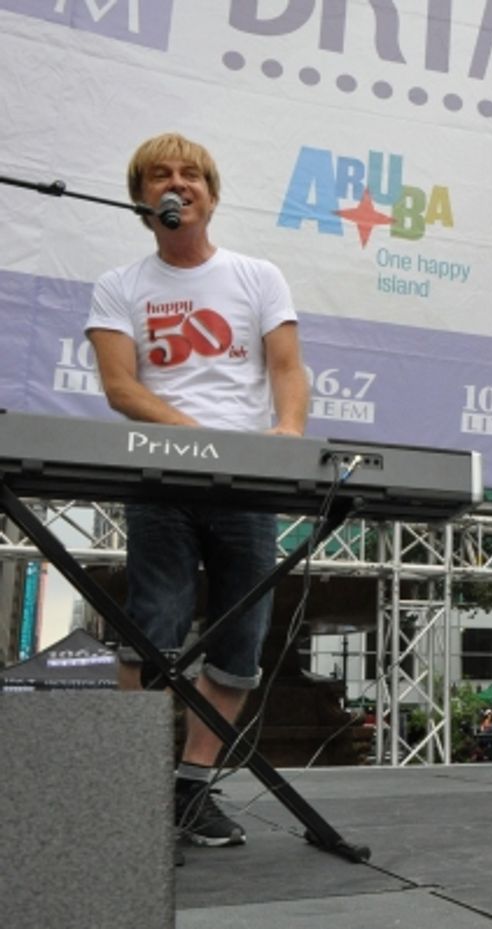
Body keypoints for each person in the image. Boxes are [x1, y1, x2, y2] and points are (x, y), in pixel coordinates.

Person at [86, 133, 308, 847]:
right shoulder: (119, 285)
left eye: (191, 174)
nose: (177, 183)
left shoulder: (256, 275)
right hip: (162, 473)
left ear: (210, 194)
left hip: (244, 478)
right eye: (161, 175)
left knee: (240, 634)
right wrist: (191, 437)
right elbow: (122, 387)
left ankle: (191, 789)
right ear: (142, 197)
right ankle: (125, 786)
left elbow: (287, 366)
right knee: (156, 616)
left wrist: (289, 428)